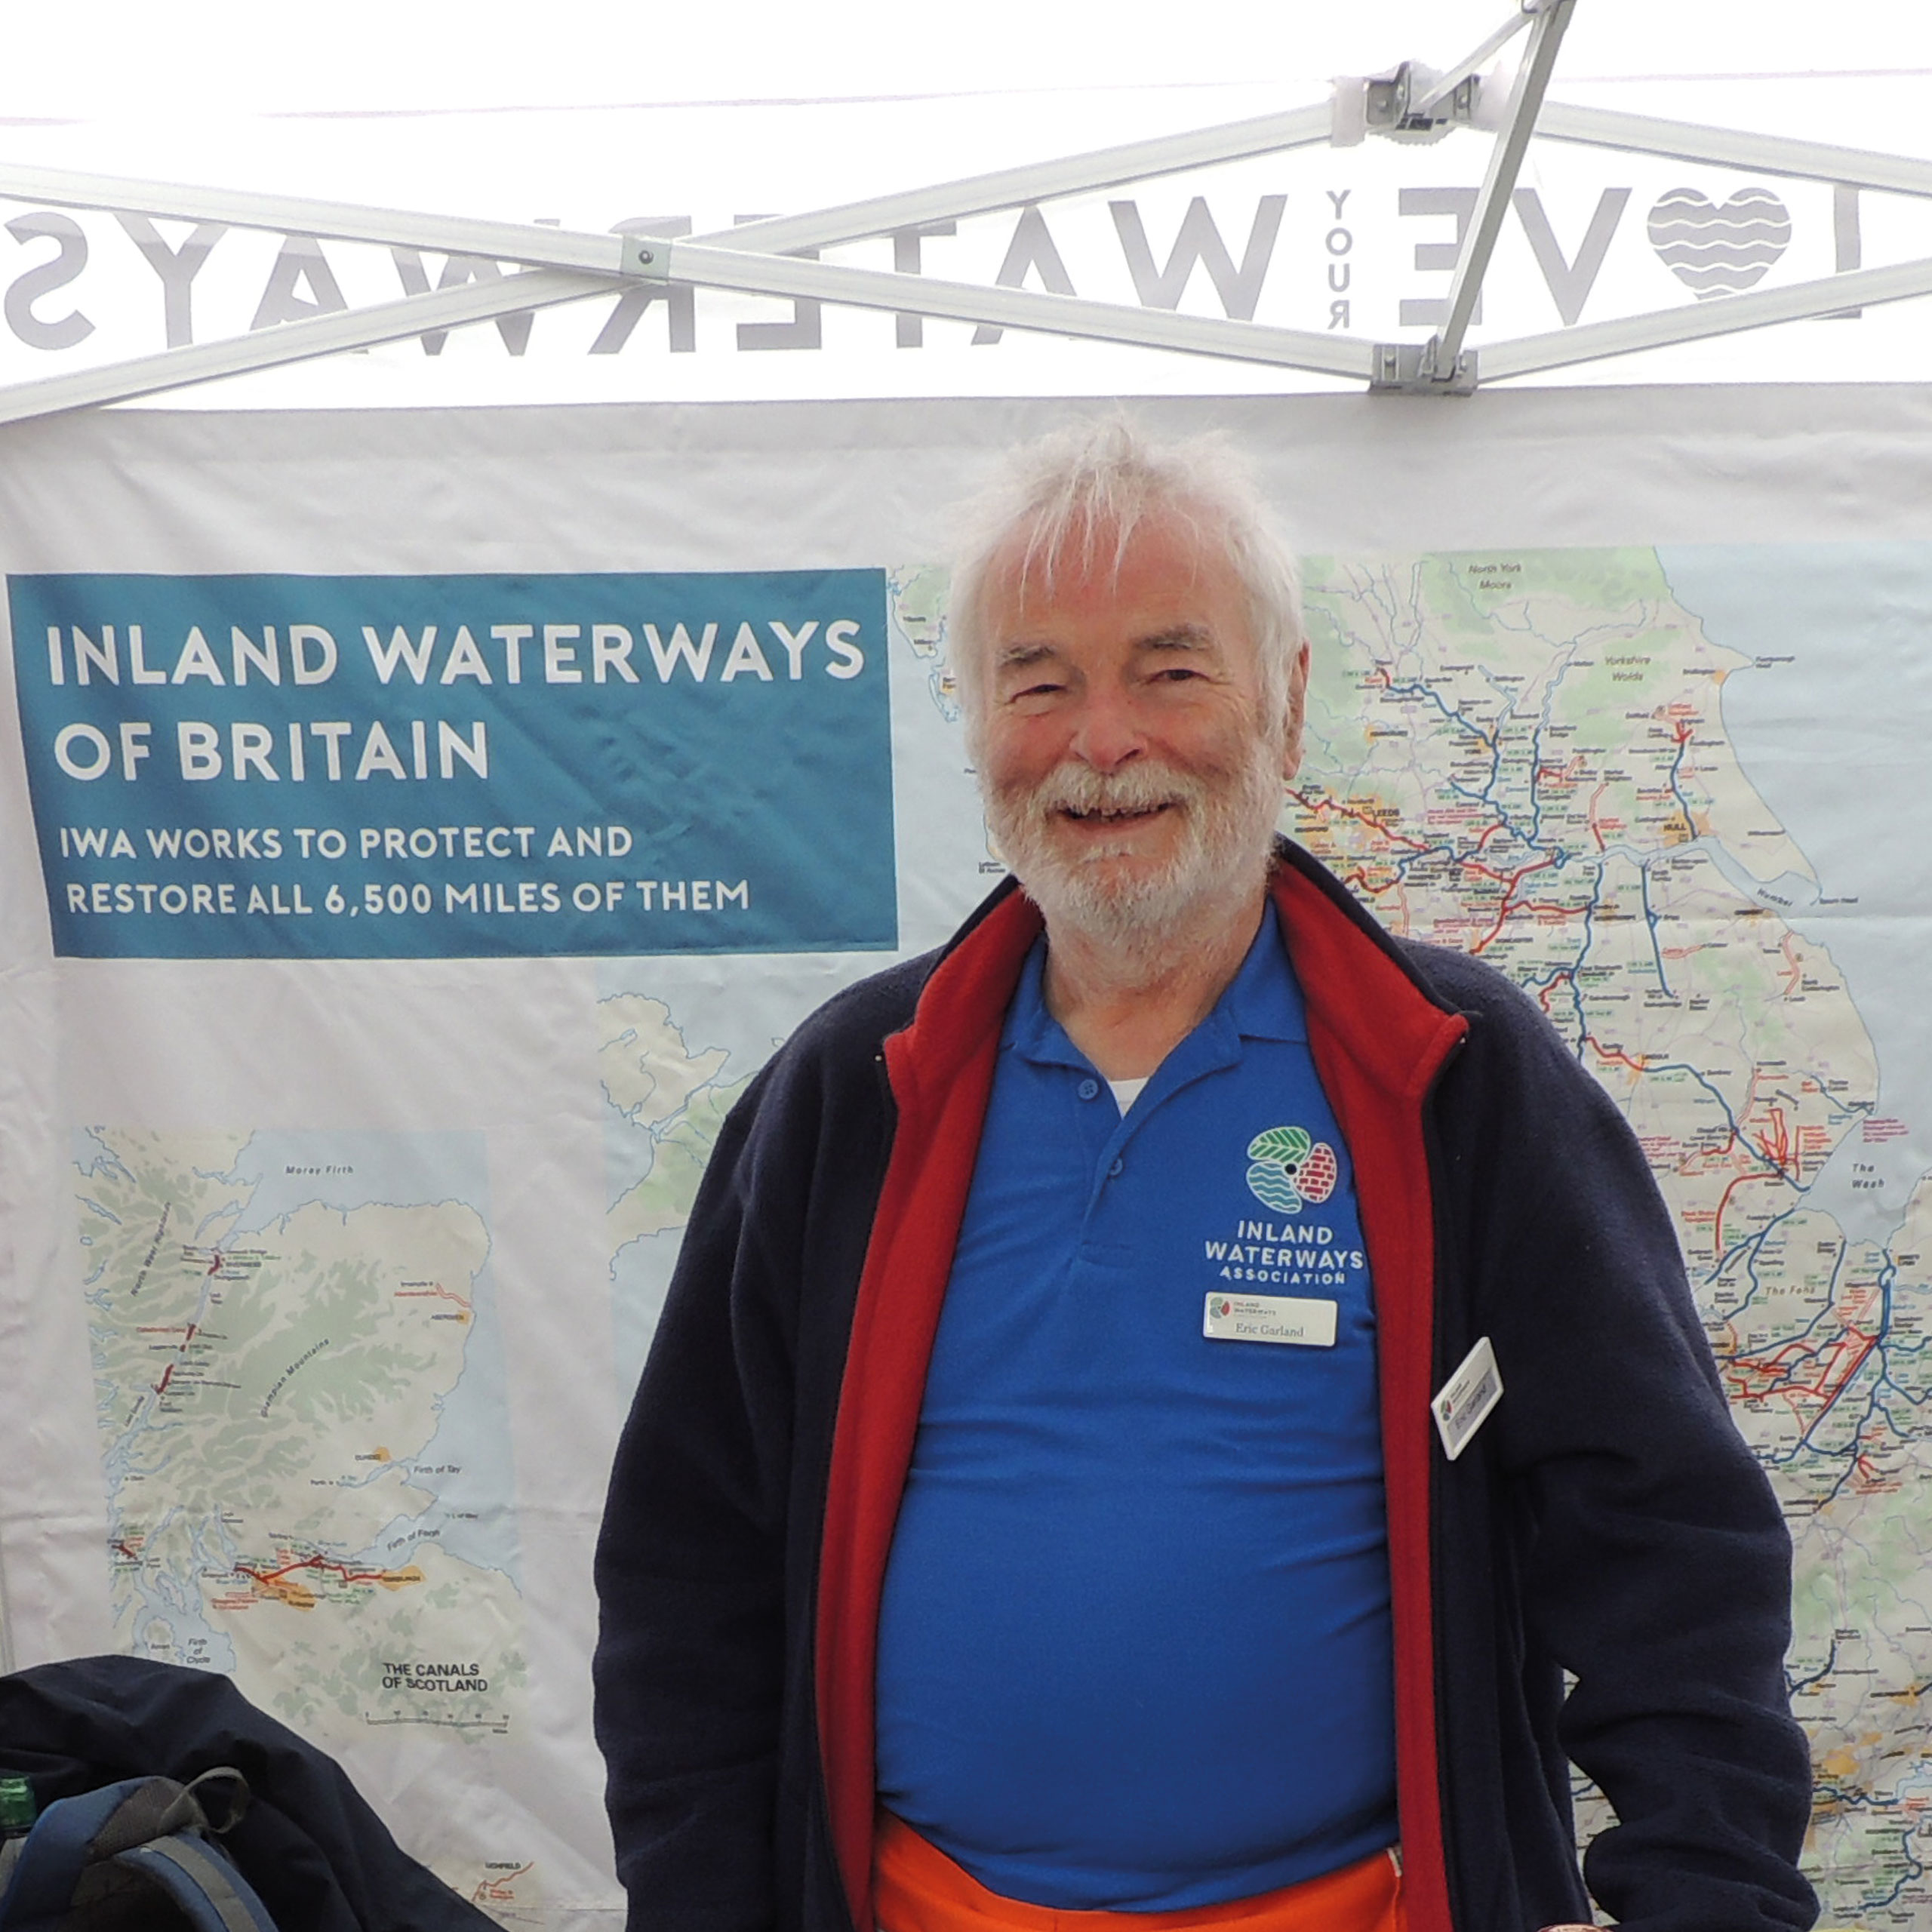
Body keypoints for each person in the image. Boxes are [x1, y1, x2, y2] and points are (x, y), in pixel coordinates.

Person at [591, 420, 1817, 1932]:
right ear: (976, 723)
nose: (1100, 739)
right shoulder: (850, 1092)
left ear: (1284, 704)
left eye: (1169, 670)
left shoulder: (1451, 1074)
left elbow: (1666, 1532)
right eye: (1038, 682)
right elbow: (687, 1570)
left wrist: (1699, 1890)